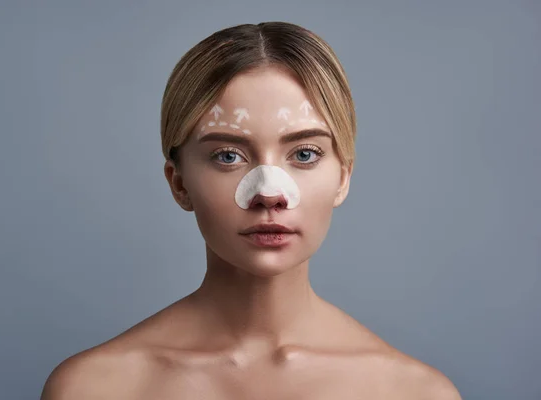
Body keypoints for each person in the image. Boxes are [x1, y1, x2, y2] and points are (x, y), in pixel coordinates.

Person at [41, 21, 461, 399]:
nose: (269, 193)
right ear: (179, 182)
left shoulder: (415, 392)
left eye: (305, 153)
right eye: (228, 156)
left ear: (343, 177)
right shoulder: (94, 388)